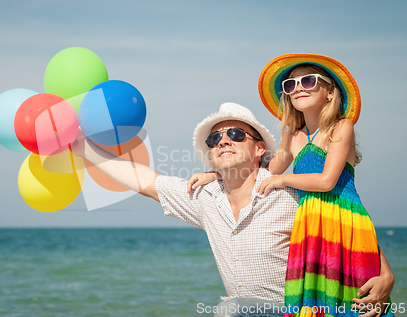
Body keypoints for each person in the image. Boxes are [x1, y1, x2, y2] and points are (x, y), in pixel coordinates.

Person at [71, 101, 394, 317]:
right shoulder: (203, 195)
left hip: (299, 307)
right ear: (210, 154)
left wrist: (386, 274)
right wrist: (82, 147)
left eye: (235, 134)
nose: (223, 141)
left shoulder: (287, 186)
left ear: (259, 148)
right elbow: (144, 180)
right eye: (215, 139)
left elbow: (343, 220)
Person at [191, 54, 395, 317]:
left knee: (355, 299)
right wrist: (216, 175)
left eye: (308, 80)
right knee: (316, 303)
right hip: (310, 224)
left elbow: (326, 181)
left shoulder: (341, 128)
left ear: (330, 92)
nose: (298, 87)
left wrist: (284, 179)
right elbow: (261, 173)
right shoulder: (292, 136)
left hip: (344, 220)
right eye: (290, 84)